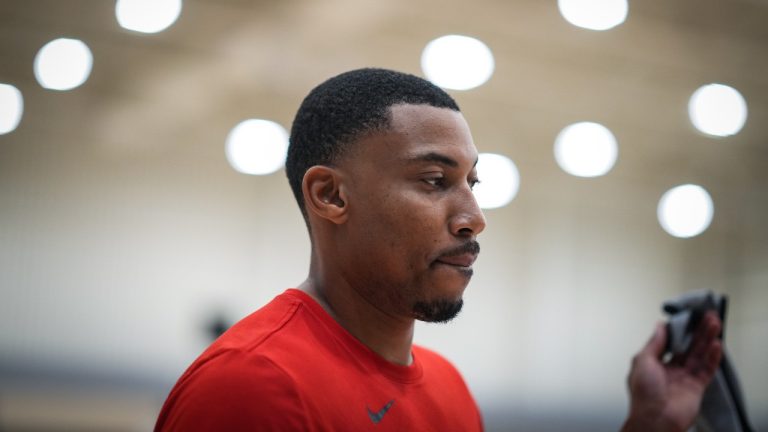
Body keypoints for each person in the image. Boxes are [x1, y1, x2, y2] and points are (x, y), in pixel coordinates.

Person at [155, 68, 723, 431]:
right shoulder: (252, 388)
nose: (473, 218)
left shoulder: (448, 388)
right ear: (330, 194)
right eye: (433, 181)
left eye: (473, 184)